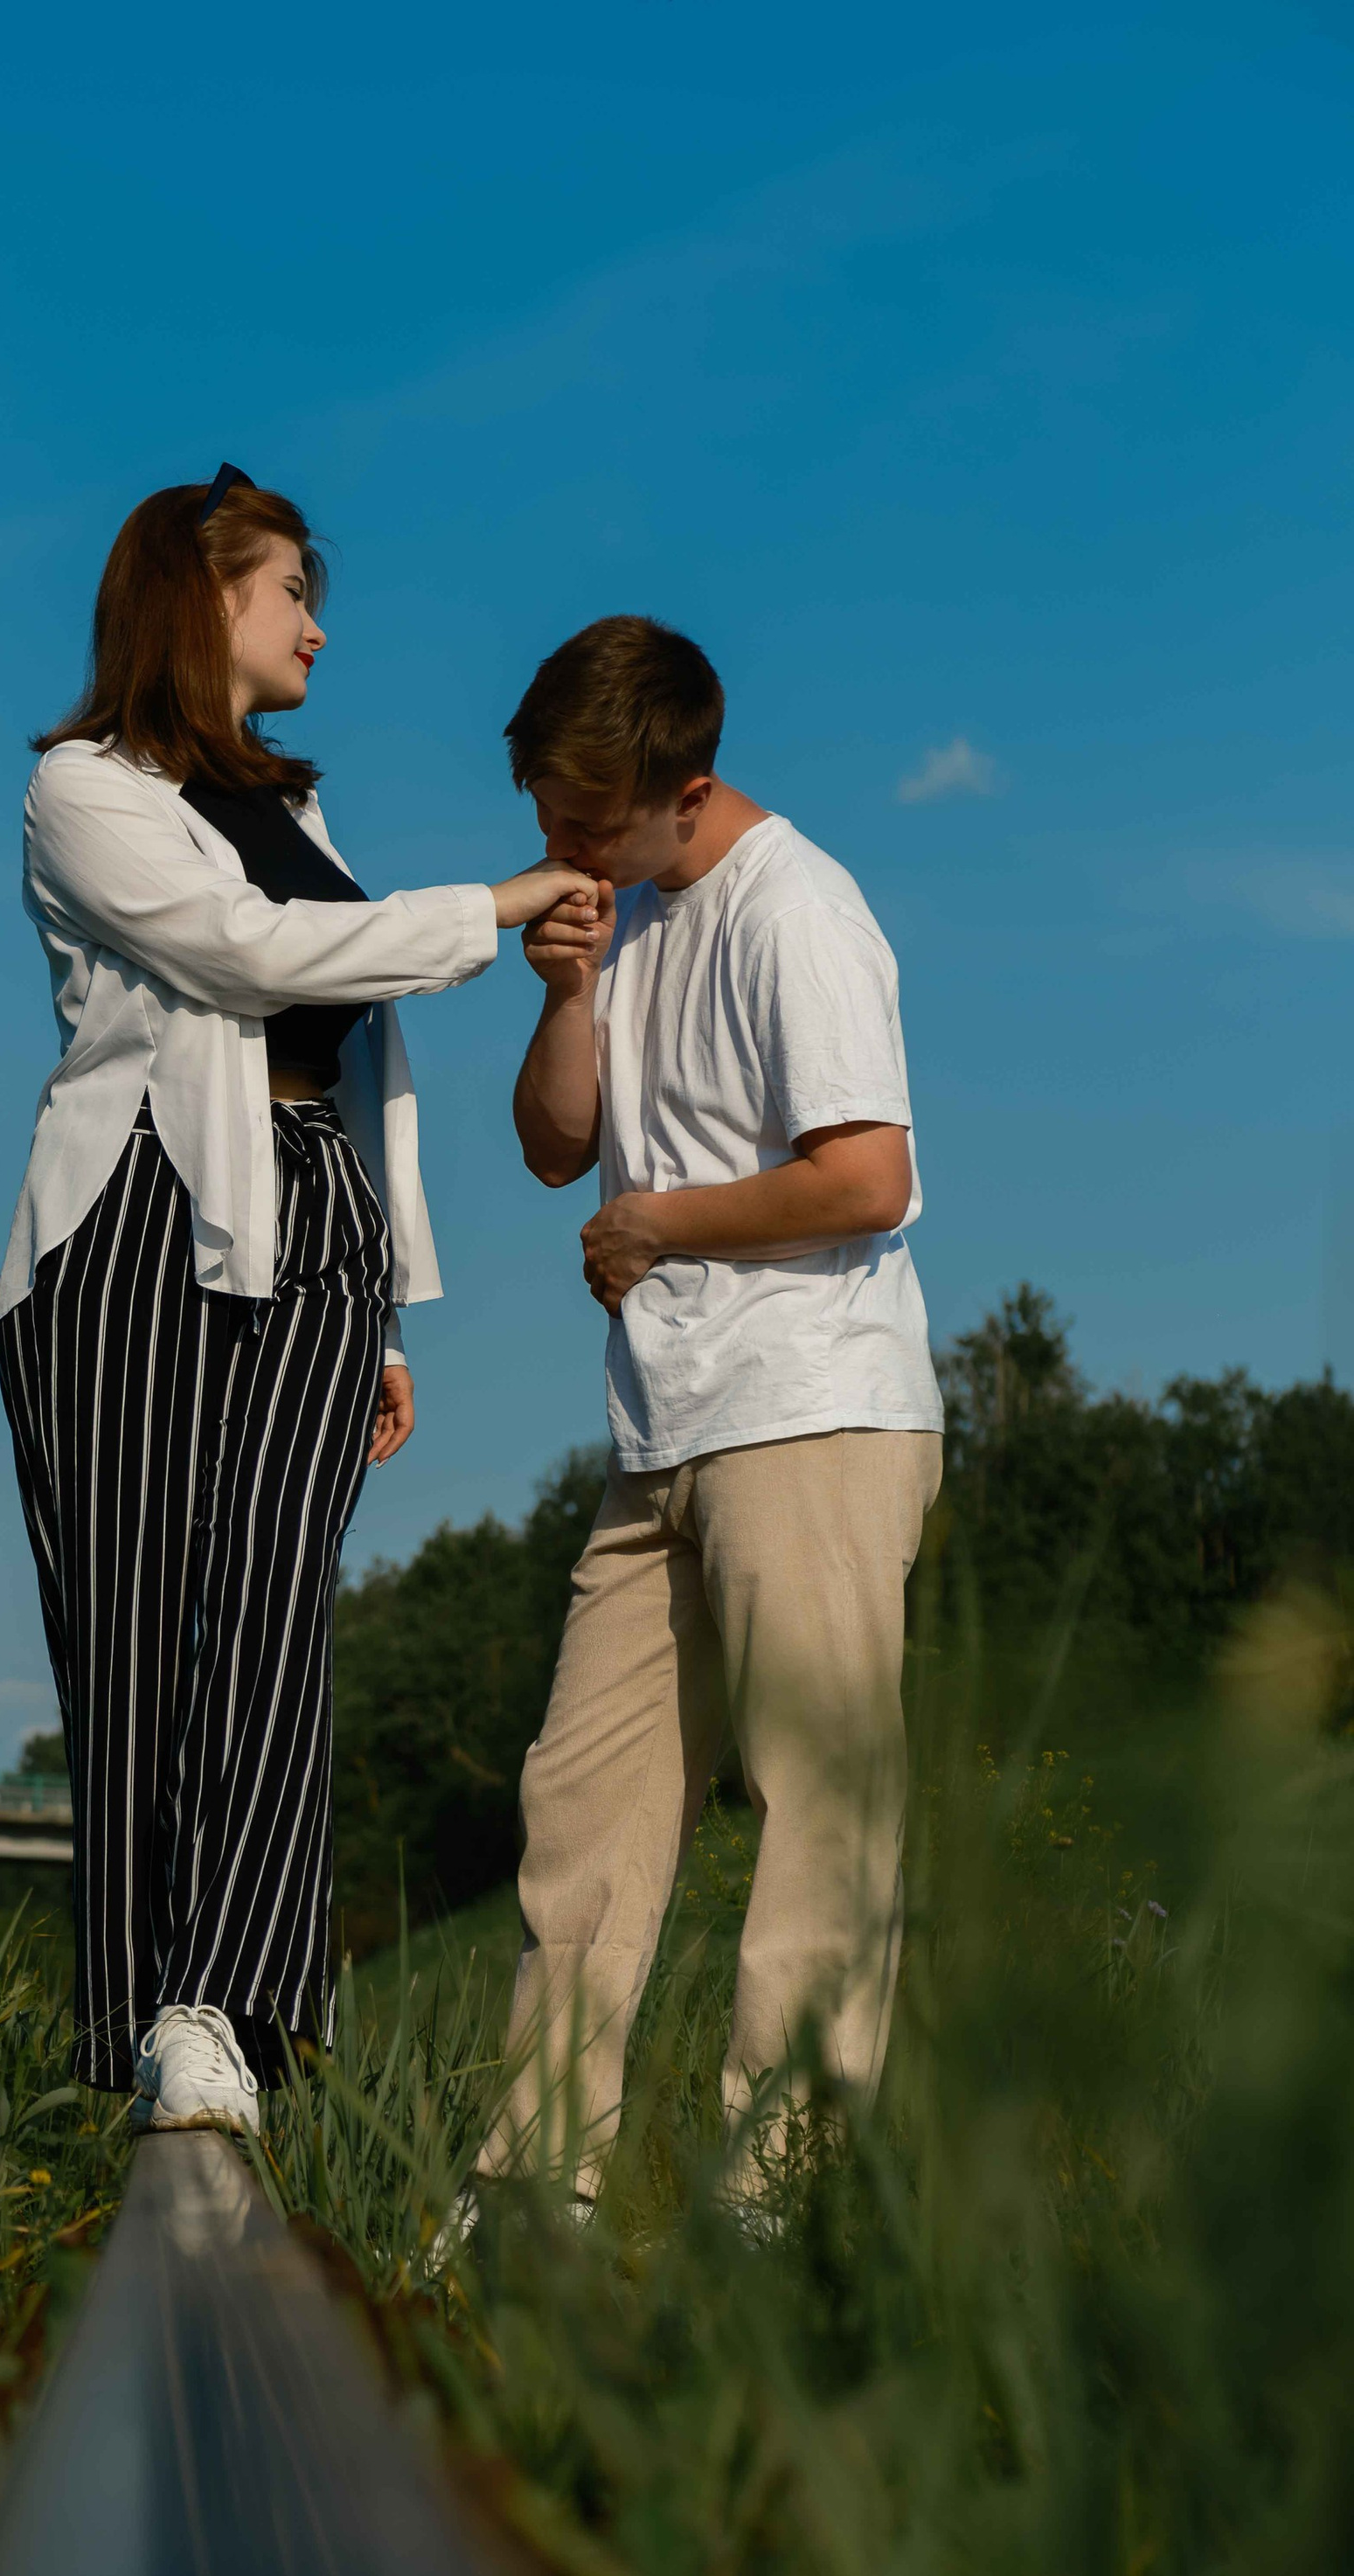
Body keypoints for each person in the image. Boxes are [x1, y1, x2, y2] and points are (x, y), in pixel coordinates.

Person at [0, 468, 591, 2136]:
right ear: (201, 599)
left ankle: (226, 2010)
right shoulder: (81, 791)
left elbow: (353, 1041)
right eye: (290, 591)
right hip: (134, 1232)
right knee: (132, 1634)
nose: (318, 623)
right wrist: (491, 906)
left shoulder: (302, 809)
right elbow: (251, 960)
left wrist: (387, 1305)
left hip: (314, 1223)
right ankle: (138, 2022)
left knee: (273, 1617)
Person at [475, 614, 943, 2205]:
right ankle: (536, 2191)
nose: (558, 848)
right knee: (579, 1815)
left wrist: (662, 1221)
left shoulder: (799, 908)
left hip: (814, 1408)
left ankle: (780, 2202)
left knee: (815, 1809)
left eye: (585, 822)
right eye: (544, 813)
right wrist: (567, 992)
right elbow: (554, 1149)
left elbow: (871, 1176)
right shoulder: (635, 914)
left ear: (688, 788)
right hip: (661, 1429)